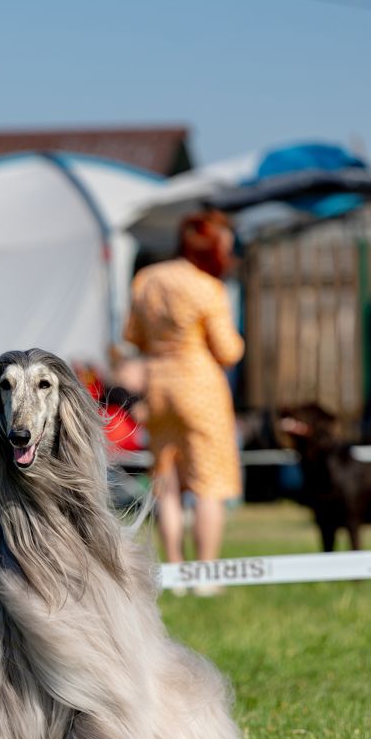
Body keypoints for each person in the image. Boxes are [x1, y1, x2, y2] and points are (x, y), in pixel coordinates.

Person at [123, 209, 244, 566]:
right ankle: (206, 573)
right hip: (200, 388)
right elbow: (228, 351)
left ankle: (174, 569)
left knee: (167, 483)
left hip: (158, 387)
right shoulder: (208, 287)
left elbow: (133, 336)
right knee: (210, 483)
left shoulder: (146, 279)